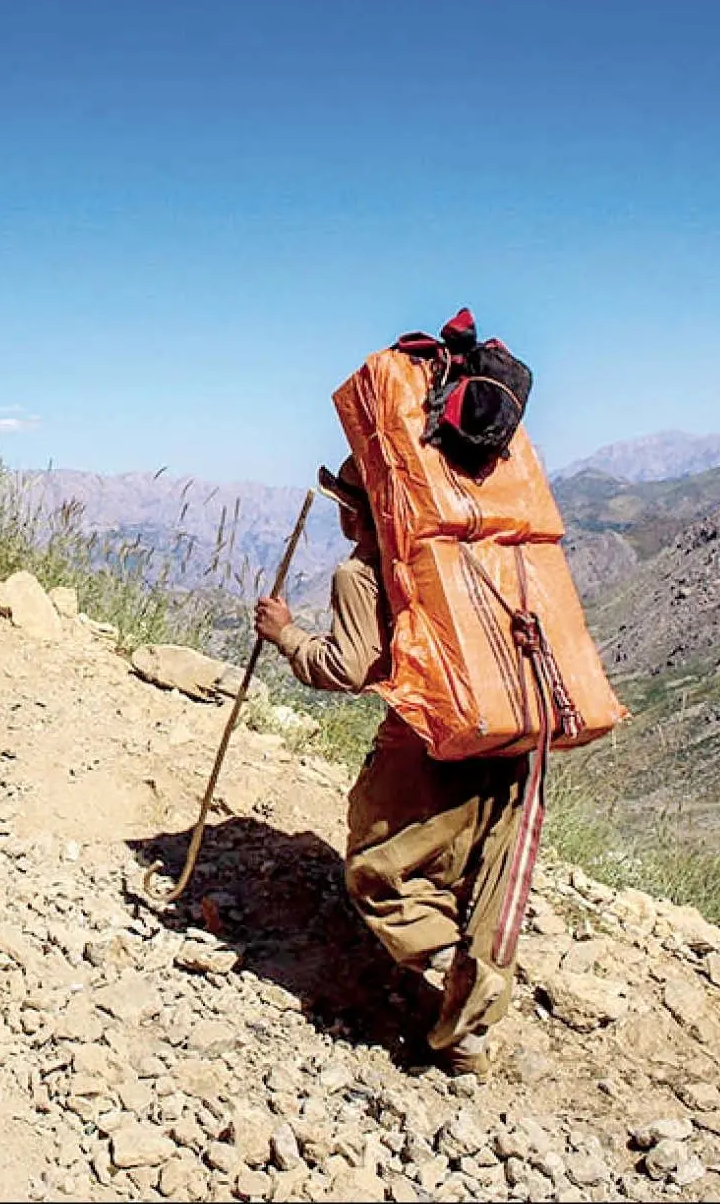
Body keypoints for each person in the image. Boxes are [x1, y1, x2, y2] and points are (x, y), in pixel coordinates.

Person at [253, 454, 527, 1078]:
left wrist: (287, 636)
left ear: (360, 511)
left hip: (427, 746)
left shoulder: (362, 573)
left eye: (348, 505)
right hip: (506, 743)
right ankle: (468, 1039)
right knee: (479, 884)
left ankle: (446, 975)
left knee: (377, 873)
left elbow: (348, 669)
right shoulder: (473, 554)